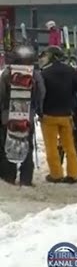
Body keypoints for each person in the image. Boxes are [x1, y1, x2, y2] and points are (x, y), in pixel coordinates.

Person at [38, 46, 77, 183]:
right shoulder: (70, 70)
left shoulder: (44, 73)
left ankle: (56, 174)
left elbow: (40, 93)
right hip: (67, 114)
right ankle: (74, 174)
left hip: (48, 115)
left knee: (51, 146)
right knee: (69, 145)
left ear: (51, 56)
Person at [0, 45, 45, 186]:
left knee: (7, 145)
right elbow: (41, 93)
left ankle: (8, 176)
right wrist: (36, 109)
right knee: (27, 146)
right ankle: (26, 179)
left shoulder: (7, 73)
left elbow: (1, 94)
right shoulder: (35, 75)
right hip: (27, 116)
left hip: (8, 116)